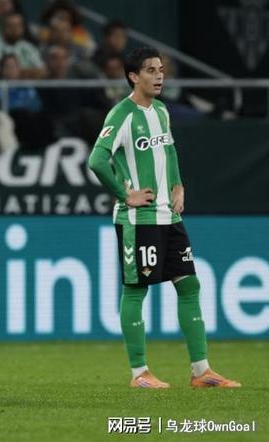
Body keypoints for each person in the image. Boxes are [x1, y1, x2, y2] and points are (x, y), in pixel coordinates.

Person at [87, 46, 241, 389]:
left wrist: (177, 184)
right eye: (151, 70)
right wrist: (124, 194)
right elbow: (96, 160)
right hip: (138, 218)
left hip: (167, 215)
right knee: (136, 290)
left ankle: (201, 371)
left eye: (161, 70)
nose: (159, 76)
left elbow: (169, 150)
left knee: (189, 284)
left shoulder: (160, 111)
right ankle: (139, 374)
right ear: (133, 76)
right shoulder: (121, 115)